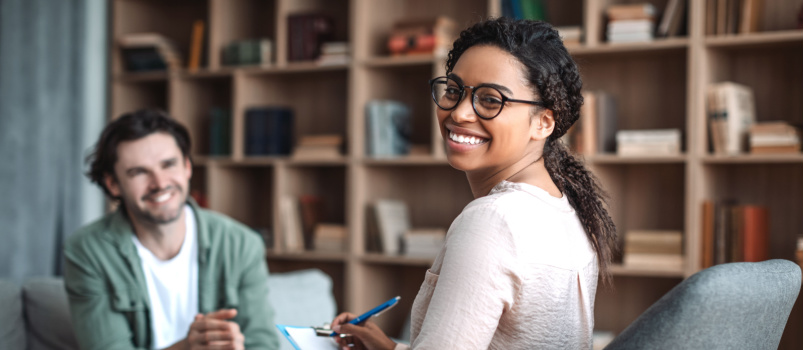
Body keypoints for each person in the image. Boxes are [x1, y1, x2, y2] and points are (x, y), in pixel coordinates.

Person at [330, 18, 617, 350]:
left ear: (543, 122)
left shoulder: (494, 220)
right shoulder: (564, 208)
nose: (460, 113)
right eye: (454, 91)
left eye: (491, 100)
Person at [64, 109, 281, 350]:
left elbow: (264, 344)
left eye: (168, 165)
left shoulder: (241, 244)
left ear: (187, 167)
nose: (160, 183)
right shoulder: (87, 251)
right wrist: (188, 347)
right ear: (113, 184)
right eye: (139, 172)